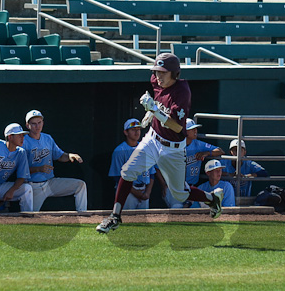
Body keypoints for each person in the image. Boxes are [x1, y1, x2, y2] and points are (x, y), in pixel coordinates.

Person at [96, 53, 224, 234]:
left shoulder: (182, 92)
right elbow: (157, 99)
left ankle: (212, 199)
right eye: (156, 71)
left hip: (172, 149)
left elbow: (178, 128)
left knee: (179, 193)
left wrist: (154, 110)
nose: (158, 76)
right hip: (152, 138)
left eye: (163, 72)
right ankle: (115, 217)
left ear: (175, 74)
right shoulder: (156, 81)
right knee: (127, 171)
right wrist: (152, 111)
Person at [22, 109, 87, 212]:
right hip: (33, 186)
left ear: (43, 122)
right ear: (27, 125)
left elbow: (60, 156)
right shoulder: (23, 141)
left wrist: (69, 155)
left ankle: (83, 216)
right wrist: (38, 169)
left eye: (39, 123)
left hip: (50, 183)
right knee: (28, 217)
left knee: (80, 185)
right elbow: (20, 170)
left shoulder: (47, 138)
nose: (37, 126)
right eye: (34, 124)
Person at [159, 118, 222, 208]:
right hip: (174, 186)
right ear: (185, 132)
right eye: (192, 129)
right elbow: (158, 166)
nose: (195, 131)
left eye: (195, 128)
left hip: (191, 187)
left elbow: (220, 150)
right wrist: (163, 184)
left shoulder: (198, 145)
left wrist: (207, 153)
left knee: (205, 206)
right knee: (177, 207)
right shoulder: (174, 146)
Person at [0, 123, 33, 213]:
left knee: (26, 188)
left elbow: (22, 177)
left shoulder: (21, 153)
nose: (22, 138)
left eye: (23, 135)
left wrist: (11, 191)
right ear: (10, 137)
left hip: (1, 187)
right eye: (19, 135)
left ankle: (29, 218)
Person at [108, 118, 154, 210]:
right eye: (133, 130)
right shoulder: (120, 151)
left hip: (144, 189)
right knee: (127, 218)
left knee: (144, 220)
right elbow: (117, 176)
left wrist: (147, 193)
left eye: (138, 130)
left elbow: (152, 173)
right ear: (126, 132)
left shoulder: (146, 148)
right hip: (128, 191)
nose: (137, 132)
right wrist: (137, 193)